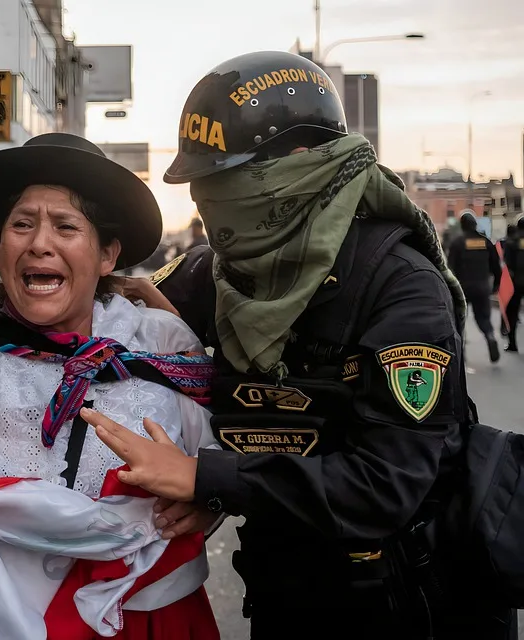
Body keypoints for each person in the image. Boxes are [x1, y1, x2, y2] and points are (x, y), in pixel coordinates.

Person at [81, 51, 514, 639]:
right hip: (285, 594)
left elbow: (384, 486)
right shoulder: (222, 273)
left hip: (406, 606)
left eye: (230, 180)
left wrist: (205, 478)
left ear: (305, 164)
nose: (213, 204)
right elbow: (89, 310)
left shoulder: (402, 288)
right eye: (205, 184)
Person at [0, 133, 222, 639]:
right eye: (21, 225)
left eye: (66, 226)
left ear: (107, 255)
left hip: (149, 620)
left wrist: (206, 499)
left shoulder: (166, 354)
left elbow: (219, 467)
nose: (39, 243)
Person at [448, 211, 502, 362]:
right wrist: (496, 285)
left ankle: (461, 351)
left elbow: (449, 268)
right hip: (482, 287)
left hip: (462, 288)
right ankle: (490, 336)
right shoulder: (485, 242)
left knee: (459, 320)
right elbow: (496, 267)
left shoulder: (457, 243)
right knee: (484, 318)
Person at [504, 217, 524, 351]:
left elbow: (507, 265)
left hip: (516, 282)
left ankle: (512, 343)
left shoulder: (512, 241)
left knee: (512, 313)